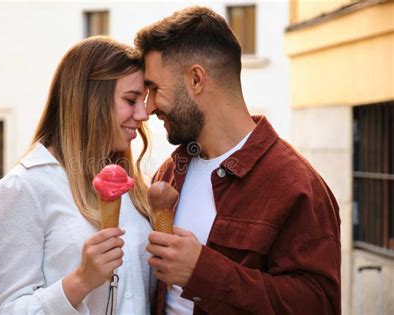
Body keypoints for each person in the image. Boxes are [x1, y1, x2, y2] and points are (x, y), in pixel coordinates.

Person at [135, 6, 341, 315]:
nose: (148, 107)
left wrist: (202, 273)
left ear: (196, 80)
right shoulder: (169, 173)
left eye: (154, 88)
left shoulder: (297, 185)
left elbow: (318, 305)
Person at [0, 36, 155, 314]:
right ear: (89, 100)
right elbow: (10, 309)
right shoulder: (22, 189)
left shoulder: (133, 187)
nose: (144, 114)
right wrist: (81, 281)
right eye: (131, 99)